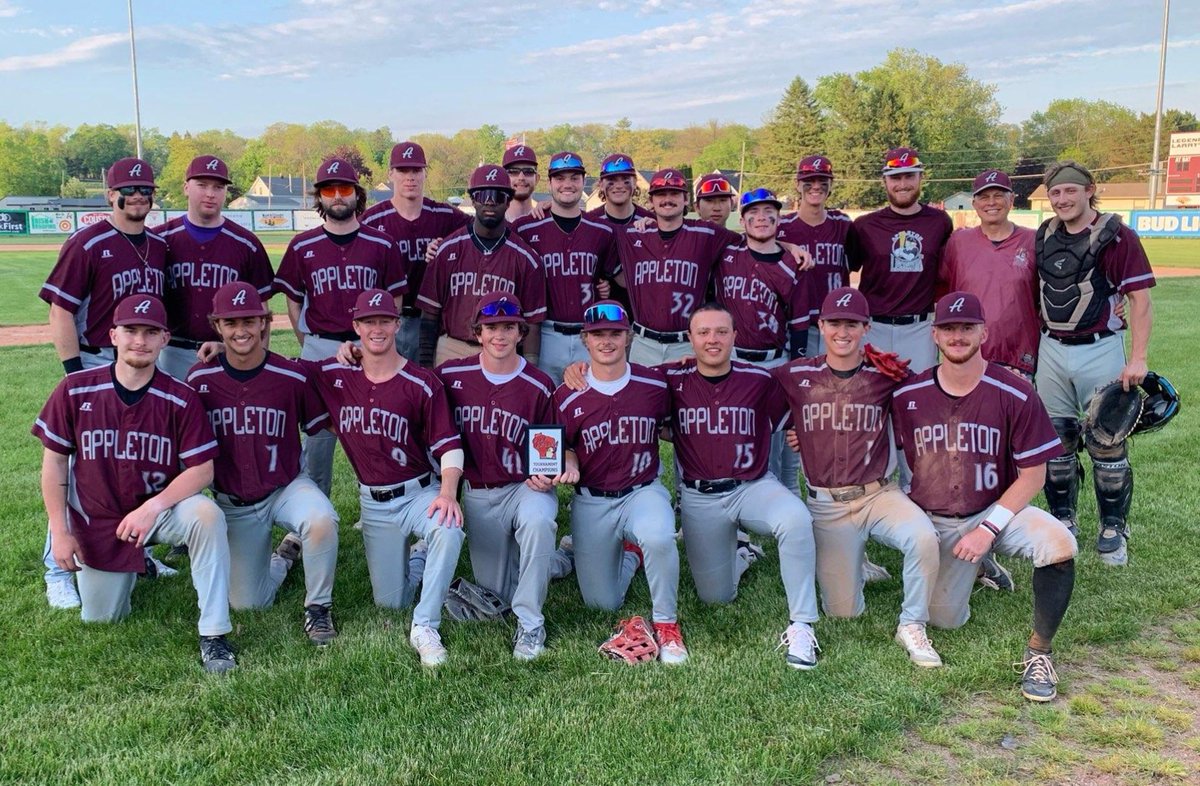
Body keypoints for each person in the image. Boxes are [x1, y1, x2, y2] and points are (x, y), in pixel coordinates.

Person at [32, 295, 236, 673]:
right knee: (102, 619)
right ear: (113, 335)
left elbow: (202, 471)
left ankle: (214, 632)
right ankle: (140, 565)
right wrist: (60, 532)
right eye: (130, 330)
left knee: (206, 515)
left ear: (164, 339)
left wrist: (152, 508)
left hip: (159, 513)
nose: (139, 341)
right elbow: (55, 463)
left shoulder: (180, 398)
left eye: (150, 332)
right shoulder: (75, 389)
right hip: (100, 521)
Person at [892, 291, 1077, 701]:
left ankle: (1039, 652)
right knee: (944, 619)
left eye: (967, 328)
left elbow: (1034, 474)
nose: (957, 336)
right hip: (937, 518)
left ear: (984, 333)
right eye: (948, 328)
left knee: (1060, 545)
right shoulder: (907, 396)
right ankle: (980, 568)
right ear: (935, 335)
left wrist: (988, 530)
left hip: (997, 510)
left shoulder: (1015, 392)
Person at [775, 287, 944, 668]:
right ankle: (855, 562)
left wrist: (907, 375)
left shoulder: (885, 375)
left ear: (866, 328)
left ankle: (912, 623)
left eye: (852, 324)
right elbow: (751, 395)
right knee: (843, 612)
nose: (843, 332)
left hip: (878, 494)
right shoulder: (797, 374)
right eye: (835, 323)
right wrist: (797, 429)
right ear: (821, 326)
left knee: (922, 537)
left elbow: (931, 395)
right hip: (827, 504)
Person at [306, 289, 465, 667]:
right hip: (373, 503)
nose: (376, 329)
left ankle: (425, 625)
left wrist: (447, 493)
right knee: (391, 602)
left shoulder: (422, 381)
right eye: (368, 322)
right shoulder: (333, 374)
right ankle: (420, 556)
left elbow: (449, 445)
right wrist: (221, 347)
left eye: (384, 321)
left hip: (417, 492)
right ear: (356, 326)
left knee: (448, 528)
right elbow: (275, 368)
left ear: (396, 324)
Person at [39, 156, 171, 608]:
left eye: (144, 190)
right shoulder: (87, 242)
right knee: (81, 468)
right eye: (128, 190)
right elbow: (60, 310)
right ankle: (58, 568)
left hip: (142, 365)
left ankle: (138, 555)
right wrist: (75, 373)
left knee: (136, 462)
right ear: (110, 195)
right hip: (96, 360)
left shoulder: (158, 245)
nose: (137, 196)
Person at [186, 282, 340, 645]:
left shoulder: (291, 375)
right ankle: (283, 559)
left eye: (249, 321)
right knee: (249, 603)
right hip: (234, 502)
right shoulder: (199, 378)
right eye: (231, 322)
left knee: (321, 518)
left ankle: (318, 608)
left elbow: (324, 421)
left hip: (286, 487)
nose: (241, 331)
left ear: (264, 323)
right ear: (217, 326)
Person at [669, 304, 819, 669]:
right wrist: (578, 369)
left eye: (721, 331)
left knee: (795, 518)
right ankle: (742, 554)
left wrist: (801, 432)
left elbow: (804, 403)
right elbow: (622, 380)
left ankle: (802, 623)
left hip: (752, 487)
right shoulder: (671, 379)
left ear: (735, 336)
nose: (713, 339)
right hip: (700, 497)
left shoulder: (760, 380)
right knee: (716, 597)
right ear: (690, 338)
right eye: (703, 332)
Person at [438, 292, 575, 660]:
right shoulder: (451, 375)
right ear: (478, 333)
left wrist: (545, 474)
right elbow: (412, 390)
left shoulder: (539, 383)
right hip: (478, 492)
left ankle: (531, 624)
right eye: (491, 327)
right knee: (498, 592)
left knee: (538, 520)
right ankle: (563, 558)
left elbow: (548, 446)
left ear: (520, 333)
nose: (499, 335)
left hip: (523, 488)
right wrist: (356, 355)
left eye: (508, 327)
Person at [1034, 161, 1155, 567]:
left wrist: (1138, 357)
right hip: (1052, 346)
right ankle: (1062, 521)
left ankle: (1113, 528)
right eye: (1055, 192)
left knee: (1107, 440)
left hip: (1099, 347)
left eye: (1071, 190)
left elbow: (1140, 299)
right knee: (1057, 441)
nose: (1062, 199)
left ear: (1089, 190)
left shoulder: (1116, 236)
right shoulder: (1044, 234)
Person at [554, 300, 687, 664]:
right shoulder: (566, 394)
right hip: (591, 499)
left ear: (628, 337)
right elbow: (555, 446)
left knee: (658, 535)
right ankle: (631, 554)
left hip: (641, 491)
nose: (607, 341)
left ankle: (667, 624)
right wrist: (567, 458)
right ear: (585, 340)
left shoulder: (653, 382)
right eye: (598, 334)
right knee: (602, 602)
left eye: (615, 333)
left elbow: (676, 417)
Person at [272, 156, 408, 498]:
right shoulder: (302, 245)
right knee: (317, 438)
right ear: (319, 196)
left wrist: (377, 343)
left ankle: (380, 507)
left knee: (378, 431)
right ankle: (315, 510)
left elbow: (394, 302)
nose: (336, 196)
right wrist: (309, 342)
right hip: (320, 347)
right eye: (329, 190)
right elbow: (293, 301)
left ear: (357, 194)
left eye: (344, 189)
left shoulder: (382, 244)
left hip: (370, 349)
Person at [713, 187, 814, 495]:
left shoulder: (792, 264)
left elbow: (799, 323)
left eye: (769, 212)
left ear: (778, 219)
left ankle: (782, 497)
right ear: (742, 220)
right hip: (733, 360)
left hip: (774, 360)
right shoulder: (726, 254)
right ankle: (737, 496)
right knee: (733, 434)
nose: (761, 218)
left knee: (775, 440)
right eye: (753, 212)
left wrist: (794, 368)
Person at [417, 164, 547, 368]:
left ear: (508, 200)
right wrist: (425, 366)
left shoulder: (526, 258)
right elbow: (430, 314)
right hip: (453, 347)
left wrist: (530, 367)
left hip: (502, 349)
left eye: (498, 196)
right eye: (483, 195)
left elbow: (532, 322)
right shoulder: (447, 249)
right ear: (473, 199)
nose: (489, 201)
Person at [157, 155, 273, 380]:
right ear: (186, 188)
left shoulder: (246, 244)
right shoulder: (160, 240)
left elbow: (262, 310)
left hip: (228, 352)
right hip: (170, 351)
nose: (210, 194)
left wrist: (257, 362)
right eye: (202, 185)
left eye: (218, 187)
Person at [512, 151, 618, 382]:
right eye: (560, 178)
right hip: (545, 334)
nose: (567, 184)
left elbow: (612, 280)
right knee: (544, 399)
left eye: (574, 178)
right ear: (549, 183)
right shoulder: (525, 228)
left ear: (584, 181)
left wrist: (604, 289)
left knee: (589, 399)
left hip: (589, 333)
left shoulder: (602, 230)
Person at [361, 141, 471, 361]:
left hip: (431, 320)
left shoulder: (444, 215)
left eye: (416, 170)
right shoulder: (371, 220)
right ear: (390, 174)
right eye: (403, 170)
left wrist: (448, 247)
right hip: (386, 318)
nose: (410, 177)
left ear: (425, 173)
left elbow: (486, 230)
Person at [848, 147, 953, 372]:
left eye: (909, 176)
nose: (903, 184)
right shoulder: (864, 226)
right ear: (884, 181)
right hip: (873, 326)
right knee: (871, 390)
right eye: (895, 177)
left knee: (919, 390)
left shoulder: (940, 222)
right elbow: (844, 271)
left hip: (920, 328)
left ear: (920, 177)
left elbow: (946, 272)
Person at [938, 169, 1038, 378]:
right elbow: (942, 291)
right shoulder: (958, 242)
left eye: (998, 195)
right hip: (967, 354)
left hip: (1018, 358)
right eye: (984, 197)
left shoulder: (1033, 240)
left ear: (1011, 200)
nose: (991, 202)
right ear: (974, 204)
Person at [777, 155, 853, 358]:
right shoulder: (782, 226)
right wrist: (787, 245)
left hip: (835, 323)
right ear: (797, 184)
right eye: (809, 181)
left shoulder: (842, 223)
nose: (816, 186)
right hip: (796, 324)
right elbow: (749, 242)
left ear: (831, 184)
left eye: (822, 181)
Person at [585, 153, 652, 227]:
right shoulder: (588, 223)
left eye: (625, 180)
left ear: (634, 182)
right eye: (611, 180)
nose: (619, 186)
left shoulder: (651, 222)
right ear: (601, 184)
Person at [503, 145, 540, 222]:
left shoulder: (547, 222)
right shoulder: (492, 224)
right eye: (513, 171)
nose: (521, 178)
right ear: (503, 178)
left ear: (537, 178)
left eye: (528, 171)